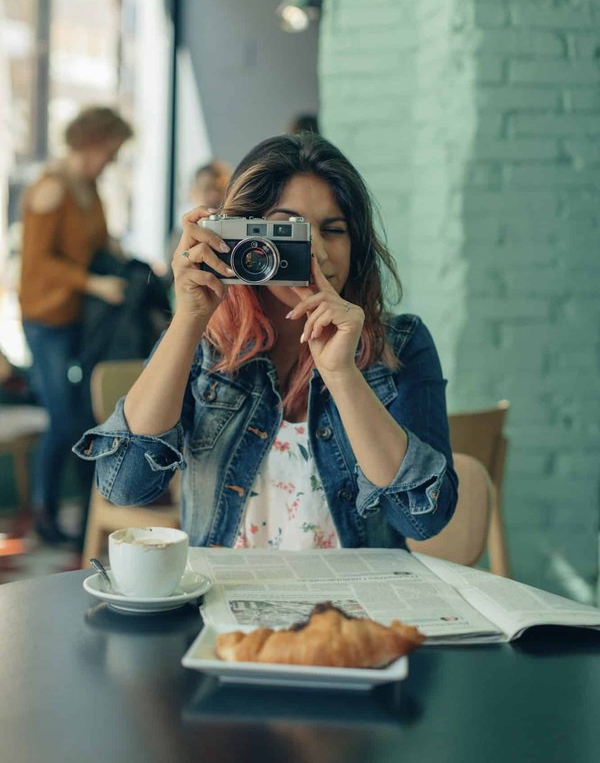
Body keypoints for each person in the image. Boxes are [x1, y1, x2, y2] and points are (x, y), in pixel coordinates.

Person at [74, 134, 457, 551]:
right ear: (246, 242)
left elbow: (424, 521)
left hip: (353, 611)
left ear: (358, 246)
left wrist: (342, 373)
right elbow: (124, 485)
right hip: (226, 606)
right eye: (288, 232)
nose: (317, 254)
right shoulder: (207, 345)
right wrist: (188, 320)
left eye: (334, 230)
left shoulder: (399, 345)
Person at [20, 105, 133, 545]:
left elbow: (98, 242)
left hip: (76, 319)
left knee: (80, 414)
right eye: (112, 150)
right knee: (62, 419)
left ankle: (81, 512)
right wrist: (94, 284)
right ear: (93, 144)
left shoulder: (89, 188)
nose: (113, 160)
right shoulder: (51, 190)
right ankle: (45, 514)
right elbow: (39, 263)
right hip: (46, 318)